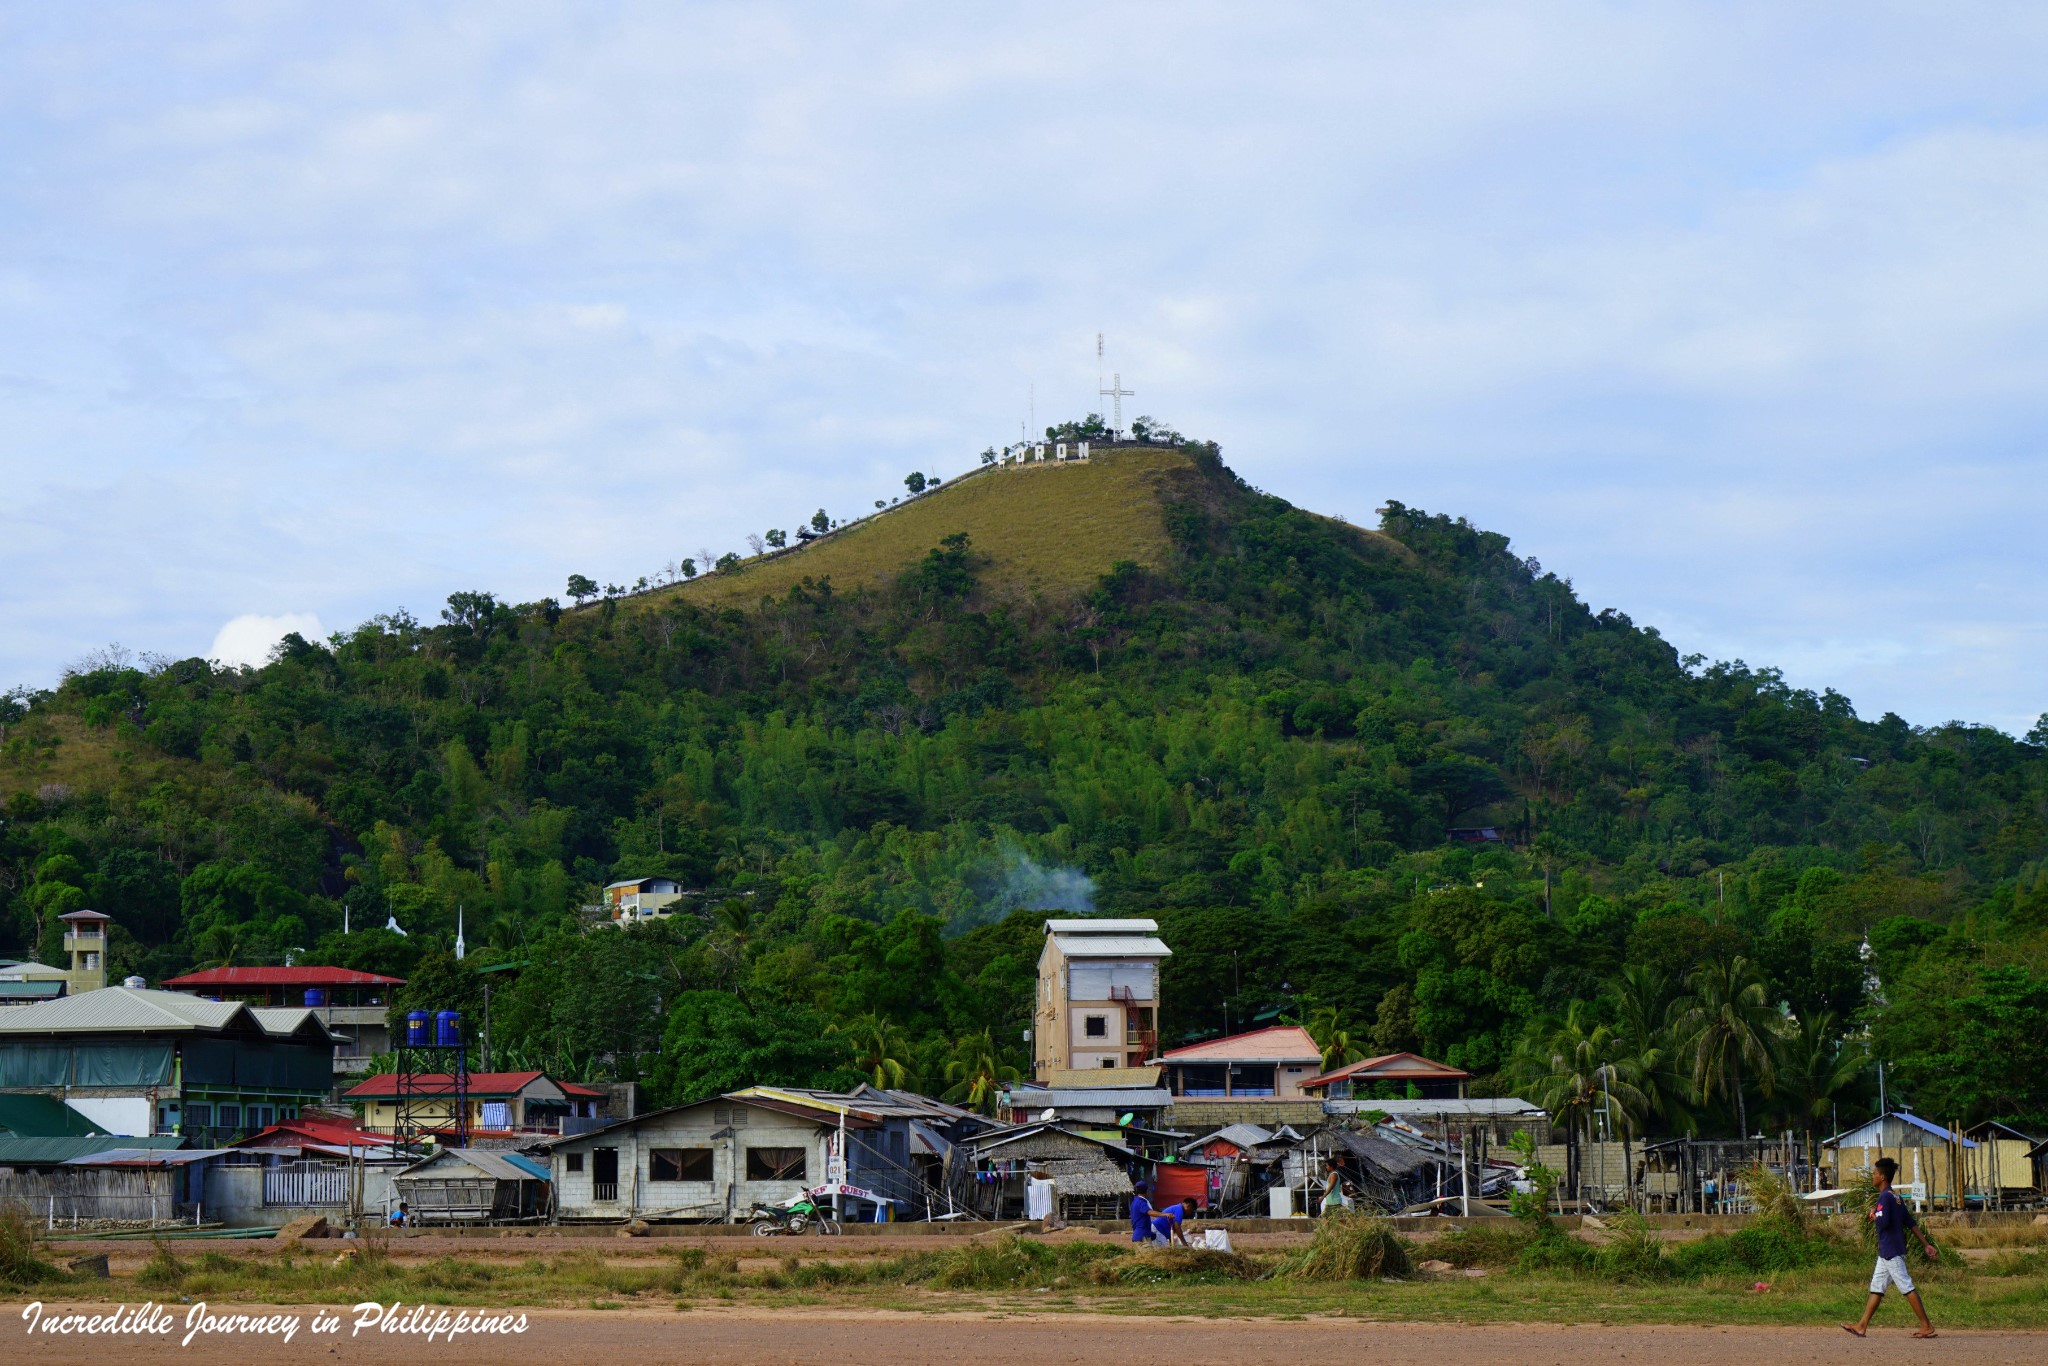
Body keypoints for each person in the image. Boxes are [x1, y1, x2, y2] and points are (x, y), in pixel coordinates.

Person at [1842, 1157, 1938, 1339]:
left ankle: (1926, 1325)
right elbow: (1910, 1222)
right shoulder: (1896, 1197)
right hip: (1888, 1251)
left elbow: (1883, 1222)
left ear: (1883, 1177)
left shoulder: (1885, 1197)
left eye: (1875, 1174)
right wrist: (1926, 1244)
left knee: (1906, 1286)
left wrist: (1874, 1214)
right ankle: (1861, 1326)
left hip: (1890, 1251)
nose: (1873, 1176)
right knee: (1877, 1287)